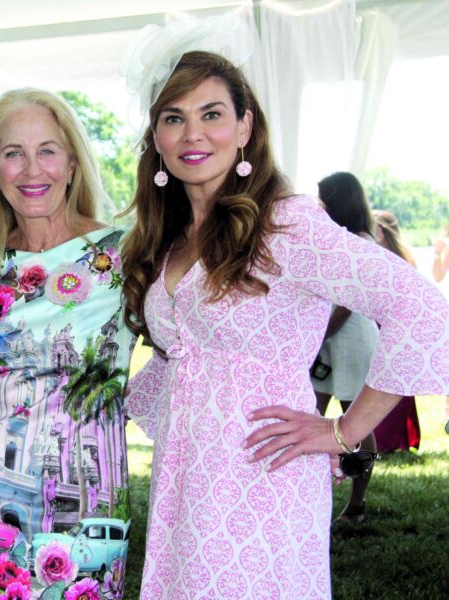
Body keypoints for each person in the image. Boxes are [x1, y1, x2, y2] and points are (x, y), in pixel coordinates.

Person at [120, 46, 449, 597]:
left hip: (263, 475)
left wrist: (343, 431)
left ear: (245, 125)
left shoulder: (285, 226)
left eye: (212, 114)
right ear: (156, 138)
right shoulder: (172, 237)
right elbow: (191, 354)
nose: (192, 134)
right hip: (188, 478)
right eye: (173, 117)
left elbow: (421, 307)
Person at [0, 88, 136, 598]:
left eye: (47, 150)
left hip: (92, 497)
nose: (31, 169)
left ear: (72, 164)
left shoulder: (121, 256)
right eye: (13, 153)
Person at [311, 172, 380, 524]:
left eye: (323, 199)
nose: (317, 205)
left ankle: (356, 502)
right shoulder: (336, 239)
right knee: (310, 412)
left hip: (350, 340)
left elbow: (348, 303)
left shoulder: (361, 242)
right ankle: (308, 494)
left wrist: (316, 338)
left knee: (358, 422)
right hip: (326, 338)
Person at [370, 209, 421, 453]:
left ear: (380, 230)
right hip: (385, 324)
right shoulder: (397, 257)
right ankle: (395, 439)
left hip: (392, 327)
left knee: (392, 384)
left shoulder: (393, 259)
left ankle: (389, 440)